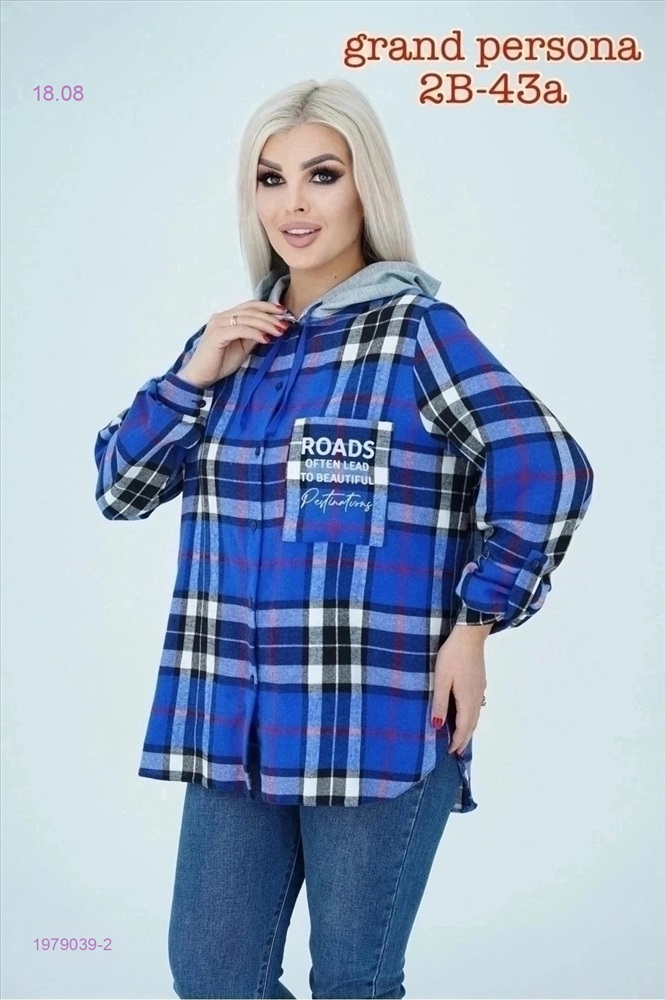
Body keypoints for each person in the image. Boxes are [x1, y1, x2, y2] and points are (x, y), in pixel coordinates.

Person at [93, 78, 594, 1000]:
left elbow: (546, 465)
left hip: (377, 717)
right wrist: (193, 375)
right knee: (212, 976)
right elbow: (120, 491)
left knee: (352, 983)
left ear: (366, 187)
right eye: (271, 178)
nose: (294, 203)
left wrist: (475, 627)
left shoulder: (418, 335)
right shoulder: (232, 348)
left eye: (321, 174)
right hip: (234, 721)